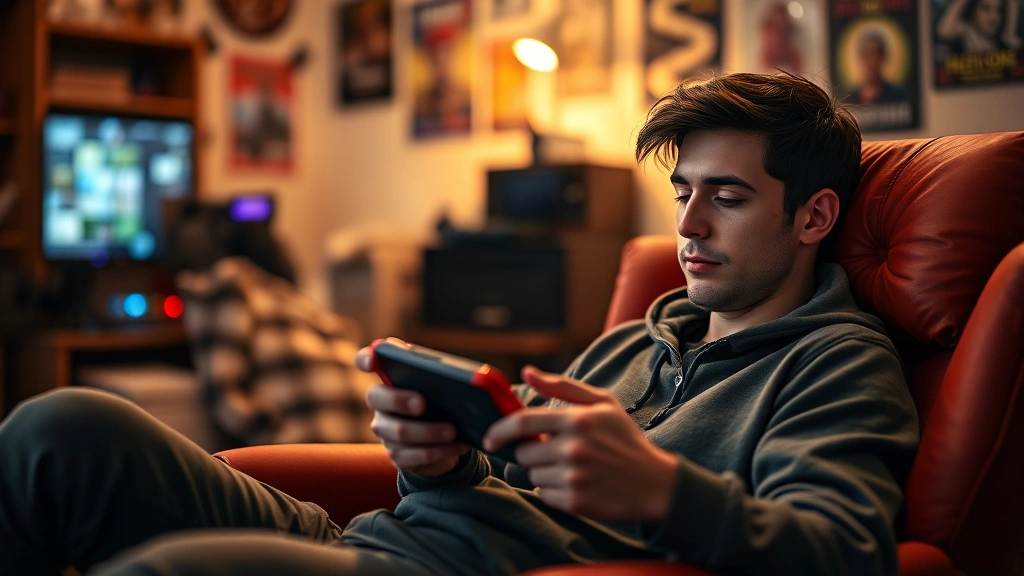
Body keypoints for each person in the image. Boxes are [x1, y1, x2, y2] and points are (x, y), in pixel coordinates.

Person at [0, 72, 919, 576]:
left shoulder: (834, 363)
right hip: (378, 531)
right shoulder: (641, 337)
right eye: (682, 194)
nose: (685, 228)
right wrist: (434, 457)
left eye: (727, 198)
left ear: (813, 218)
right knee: (61, 427)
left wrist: (658, 490)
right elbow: (498, 480)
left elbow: (843, 551)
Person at [937, 0, 1022, 52]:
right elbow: (944, 31)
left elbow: (1011, 3)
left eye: (999, 10)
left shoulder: (1004, 41)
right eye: (986, 8)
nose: (994, 17)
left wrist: (1010, 33)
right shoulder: (966, 30)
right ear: (973, 11)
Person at [848, 31, 906, 105]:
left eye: (874, 54)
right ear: (860, 58)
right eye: (865, 54)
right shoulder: (850, 100)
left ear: (883, 58)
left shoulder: (898, 97)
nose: (868, 60)